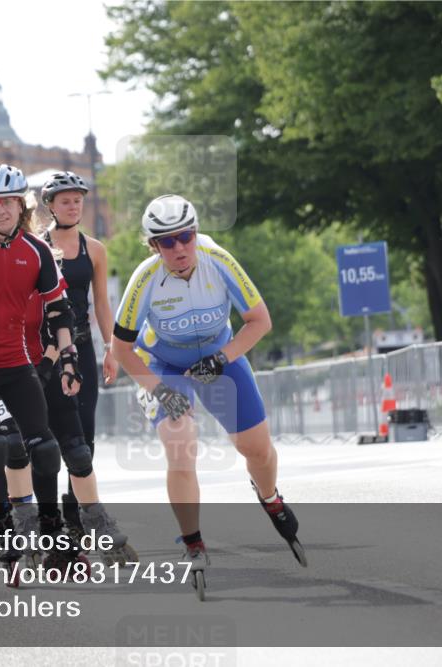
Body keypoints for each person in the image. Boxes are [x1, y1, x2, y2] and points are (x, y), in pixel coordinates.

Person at [0, 164, 126, 568]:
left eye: (7, 202)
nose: (0, 210)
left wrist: (69, 357)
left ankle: (57, 530)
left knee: (50, 448)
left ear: (21, 204)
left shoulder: (37, 252)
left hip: (21, 365)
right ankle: (5, 524)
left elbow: (60, 313)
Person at [111, 194, 307, 575]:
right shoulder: (145, 279)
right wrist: (161, 391)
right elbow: (121, 349)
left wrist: (221, 358)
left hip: (220, 357)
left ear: (196, 233)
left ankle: (269, 496)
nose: (179, 247)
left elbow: (260, 321)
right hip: (164, 364)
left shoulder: (218, 260)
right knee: (180, 441)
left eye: (185, 236)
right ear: (154, 246)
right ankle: (193, 541)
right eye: (167, 242)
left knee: (257, 449)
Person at [36, 171, 120, 539]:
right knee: (51, 439)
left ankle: (76, 519)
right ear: (50, 205)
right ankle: (48, 519)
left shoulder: (95, 249)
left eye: (78, 200)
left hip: (83, 349)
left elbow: (101, 303)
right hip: (48, 353)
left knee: (85, 438)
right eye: (65, 200)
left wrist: (112, 349)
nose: (73, 206)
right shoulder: (36, 247)